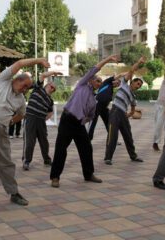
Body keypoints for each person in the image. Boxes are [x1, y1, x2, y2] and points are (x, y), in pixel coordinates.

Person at [0, 58, 50, 213]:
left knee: (6, 163)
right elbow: (19, 64)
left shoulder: (20, 100)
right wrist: (39, 61)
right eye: (24, 85)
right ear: (16, 80)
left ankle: (14, 193)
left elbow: (21, 114)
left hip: (1, 130)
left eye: (27, 88)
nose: (24, 89)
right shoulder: (3, 81)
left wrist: (10, 122)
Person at [50, 54, 119, 188]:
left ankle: (88, 174)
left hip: (78, 124)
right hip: (67, 119)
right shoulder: (82, 84)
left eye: (100, 82)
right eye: (97, 81)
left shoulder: (94, 100)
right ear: (91, 80)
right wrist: (109, 59)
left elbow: (90, 116)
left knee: (86, 148)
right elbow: (95, 68)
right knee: (61, 149)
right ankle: (55, 177)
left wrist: (83, 120)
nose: (99, 83)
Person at [104, 57, 146, 165]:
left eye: (140, 86)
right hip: (115, 111)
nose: (138, 86)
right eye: (138, 84)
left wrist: (129, 114)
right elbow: (131, 71)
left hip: (122, 114)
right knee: (113, 135)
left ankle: (133, 156)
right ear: (132, 82)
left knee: (128, 136)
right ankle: (108, 158)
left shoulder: (133, 96)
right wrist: (138, 62)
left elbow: (132, 109)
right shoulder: (124, 84)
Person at [22, 71, 62, 171]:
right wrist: (53, 72)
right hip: (31, 118)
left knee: (44, 141)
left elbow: (50, 112)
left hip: (40, 121)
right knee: (29, 141)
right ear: (47, 85)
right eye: (51, 86)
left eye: (54, 89)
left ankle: (47, 160)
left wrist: (43, 119)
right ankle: (26, 161)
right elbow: (42, 75)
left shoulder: (50, 100)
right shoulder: (38, 88)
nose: (52, 89)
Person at [87, 73, 125, 141]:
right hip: (97, 106)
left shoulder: (111, 90)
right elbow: (118, 75)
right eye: (117, 82)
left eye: (118, 84)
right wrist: (127, 73)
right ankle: (88, 139)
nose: (117, 84)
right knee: (93, 122)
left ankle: (112, 139)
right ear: (114, 80)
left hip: (104, 108)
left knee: (109, 123)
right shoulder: (107, 82)